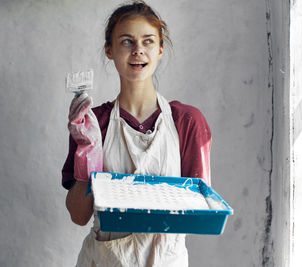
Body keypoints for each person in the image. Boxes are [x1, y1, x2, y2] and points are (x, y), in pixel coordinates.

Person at [61, 1, 212, 266]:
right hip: (105, 259)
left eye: (148, 41)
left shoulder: (187, 122)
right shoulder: (93, 122)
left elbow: (199, 211)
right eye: (127, 41)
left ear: (161, 49)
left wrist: (137, 206)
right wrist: (87, 150)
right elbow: (79, 216)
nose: (138, 50)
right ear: (110, 50)